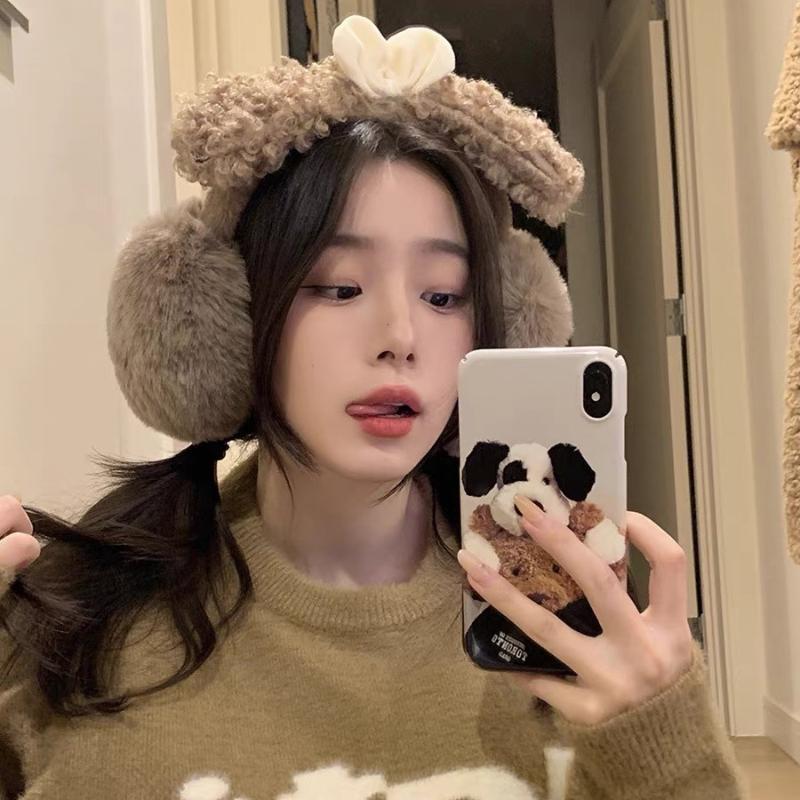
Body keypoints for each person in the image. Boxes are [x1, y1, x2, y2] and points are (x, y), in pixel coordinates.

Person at [0, 15, 748, 800]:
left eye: (444, 296)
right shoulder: (68, 625)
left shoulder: (573, 624)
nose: (400, 337)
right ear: (228, 318)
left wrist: (662, 741)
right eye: (339, 287)